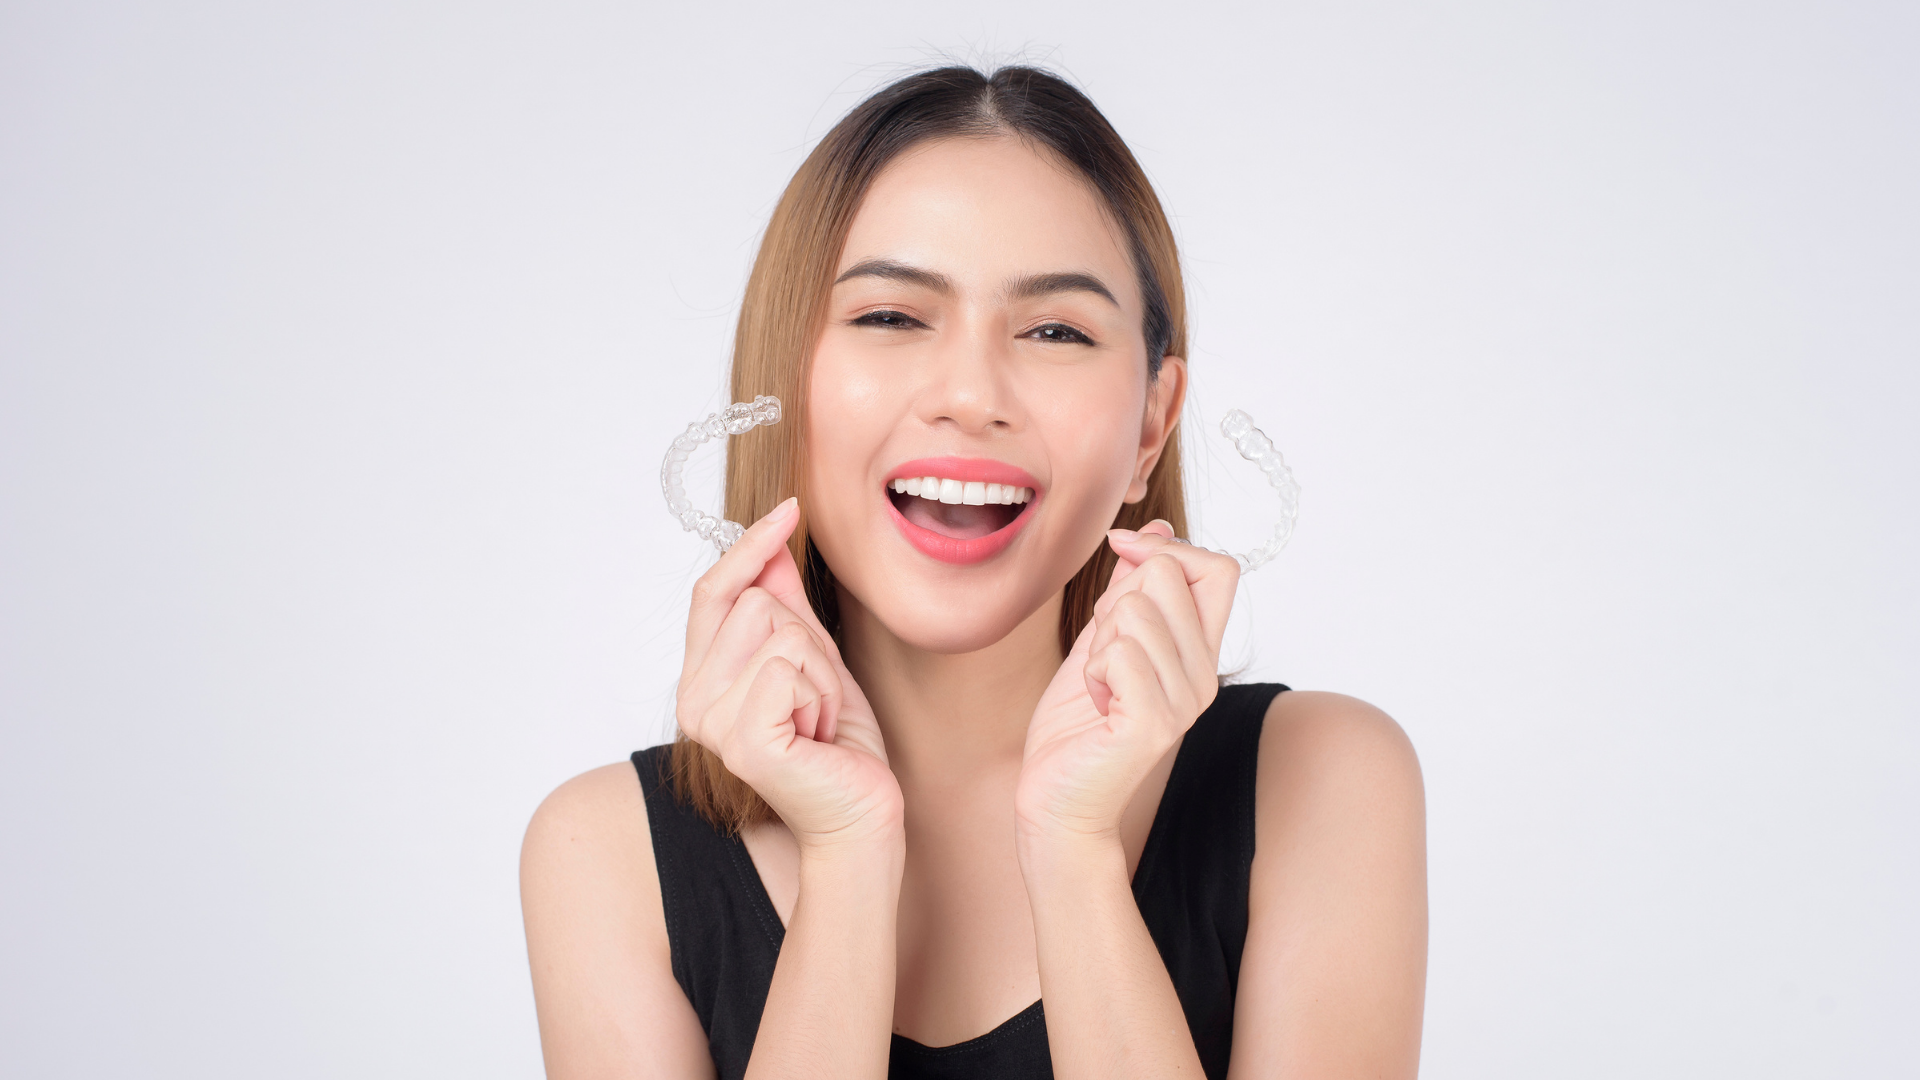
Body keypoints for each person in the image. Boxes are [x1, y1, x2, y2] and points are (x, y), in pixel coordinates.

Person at [520, 65, 1427, 1080]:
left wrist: (1074, 849)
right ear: (782, 386)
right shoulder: (603, 857)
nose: (968, 393)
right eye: (891, 317)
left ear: (1150, 428)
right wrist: (851, 862)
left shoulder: (1321, 781)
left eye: (1055, 331)